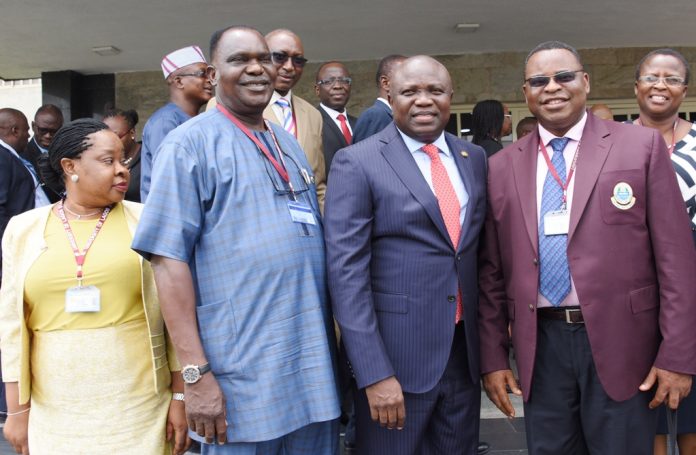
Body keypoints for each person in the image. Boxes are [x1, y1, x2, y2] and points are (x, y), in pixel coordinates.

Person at [478, 40, 696, 455]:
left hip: (624, 343)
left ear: (586, 82)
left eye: (564, 76)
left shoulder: (639, 146)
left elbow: (677, 261)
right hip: (541, 347)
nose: (552, 87)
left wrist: (678, 355)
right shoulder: (501, 166)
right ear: (525, 93)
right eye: (538, 81)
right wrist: (493, 358)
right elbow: (491, 273)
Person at [131, 25, 340, 454]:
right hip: (239, 376)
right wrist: (195, 374)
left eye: (264, 59)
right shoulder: (187, 145)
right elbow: (167, 262)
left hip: (311, 369)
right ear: (212, 74)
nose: (257, 69)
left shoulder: (286, 142)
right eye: (240, 60)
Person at [325, 55, 487, 454]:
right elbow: (346, 276)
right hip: (396, 362)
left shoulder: (473, 158)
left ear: (450, 96)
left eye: (435, 90)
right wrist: (373, 373)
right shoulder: (358, 161)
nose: (423, 100)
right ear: (390, 96)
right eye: (410, 91)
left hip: (462, 357)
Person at [0, 118, 189, 455]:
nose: (122, 170)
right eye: (107, 161)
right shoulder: (23, 229)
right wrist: (16, 410)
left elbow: (175, 316)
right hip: (54, 408)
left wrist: (179, 396)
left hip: (139, 406)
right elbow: (12, 327)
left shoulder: (145, 221)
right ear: (70, 167)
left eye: (123, 160)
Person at [632, 48, 696, 455]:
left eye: (671, 79)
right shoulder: (616, 143)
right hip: (637, 290)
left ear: (684, 90)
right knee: (646, 401)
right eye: (651, 77)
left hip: (693, 287)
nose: (660, 85)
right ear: (636, 86)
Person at [263, 29, 327, 211]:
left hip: (309, 220)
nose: (290, 67)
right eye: (280, 57)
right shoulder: (237, 107)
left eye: (298, 61)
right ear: (261, 58)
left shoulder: (313, 115)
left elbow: (318, 184)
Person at [140, 45, 213, 201]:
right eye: (202, 74)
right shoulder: (165, 122)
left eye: (210, 74)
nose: (209, 80)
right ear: (179, 81)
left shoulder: (199, 121)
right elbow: (170, 182)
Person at [352, 54, 406, 143]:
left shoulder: (394, 115)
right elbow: (367, 151)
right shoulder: (375, 115)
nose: (413, 81)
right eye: (406, 76)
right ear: (385, 83)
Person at [315, 61, 356, 175]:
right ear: (317, 90)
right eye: (329, 81)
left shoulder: (359, 124)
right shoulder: (312, 122)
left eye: (344, 81)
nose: (338, 86)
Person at [21, 104, 64, 202]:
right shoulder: (22, 156)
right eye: (43, 130)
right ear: (33, 126)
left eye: (54, 131)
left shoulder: (68, 153)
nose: (48, 136)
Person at [103, 108, 142, 202]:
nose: (109, 142)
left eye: (116, 137)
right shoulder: (102, 159)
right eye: (104, 138)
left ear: (132, 133)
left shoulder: (148, 158)